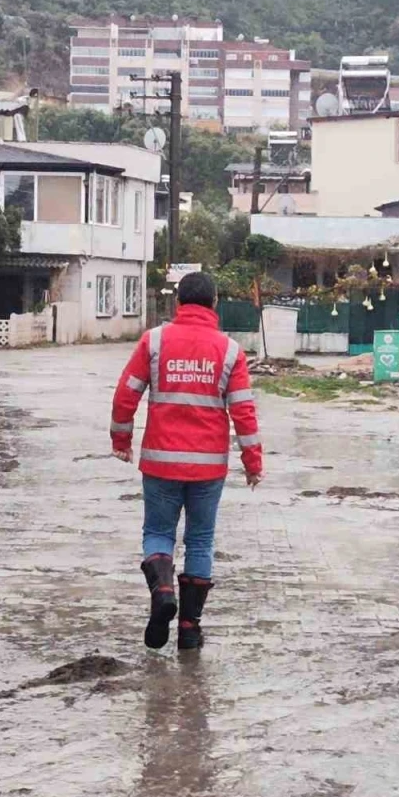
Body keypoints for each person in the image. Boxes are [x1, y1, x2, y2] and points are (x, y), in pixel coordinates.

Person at [110, 272, 263, 651]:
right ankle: (190, 629)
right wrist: (253, 461)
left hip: (160, 462)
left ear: (178, 303)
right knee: (200, 540)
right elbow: (243, 411)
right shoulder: (230, 351)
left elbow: (126, 393)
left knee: (158, 533)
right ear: (214, 304)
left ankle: (163, 591)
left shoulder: (155, 341)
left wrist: (121, 438)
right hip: (208, 467)